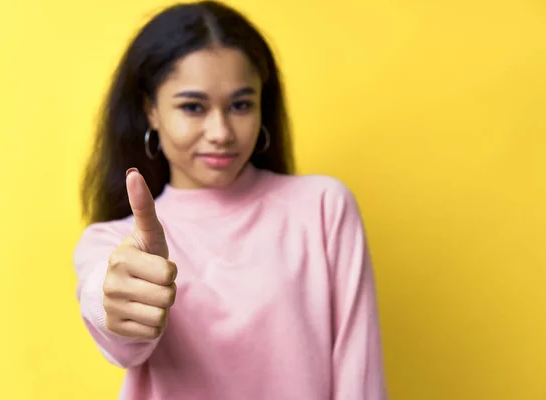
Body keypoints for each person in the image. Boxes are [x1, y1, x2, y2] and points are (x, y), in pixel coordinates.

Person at [73, 1, 388, 399]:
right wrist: (116, 301)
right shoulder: (114, 241)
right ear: (150, 109)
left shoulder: (323, 207)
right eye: (193, 107)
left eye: (240, 105)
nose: (221, 132)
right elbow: (117, 330)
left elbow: (360, 379)